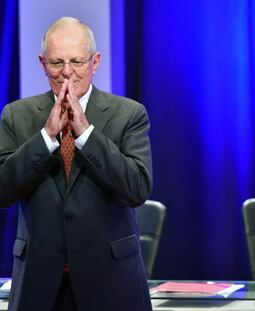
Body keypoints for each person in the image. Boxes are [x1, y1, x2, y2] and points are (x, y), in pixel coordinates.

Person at [0, 17, 153, 311]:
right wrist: (46, 137)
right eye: (56, 63)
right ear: (42, 63)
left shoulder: (129, 115)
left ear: (95, 62)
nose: (66, 73)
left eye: (76, 61)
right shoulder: (16, 116)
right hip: (39, 285)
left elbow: (137, 189)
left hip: (111, 285)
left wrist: (87, 135)